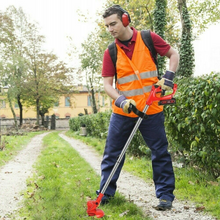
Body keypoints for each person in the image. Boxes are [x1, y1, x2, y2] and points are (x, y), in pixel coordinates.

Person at [96, 5, 179, 210]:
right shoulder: (111, 51)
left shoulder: (148, 38)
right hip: (124, 111)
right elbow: (107, 85)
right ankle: (105, 194)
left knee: (160, 152)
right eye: (107, 26)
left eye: (113, 24)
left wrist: (168, 78)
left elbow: (174, 54)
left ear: (125, 20)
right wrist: (122, 101)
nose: (110, 29)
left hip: (151, 109)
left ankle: (165, 196)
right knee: (112, 154)